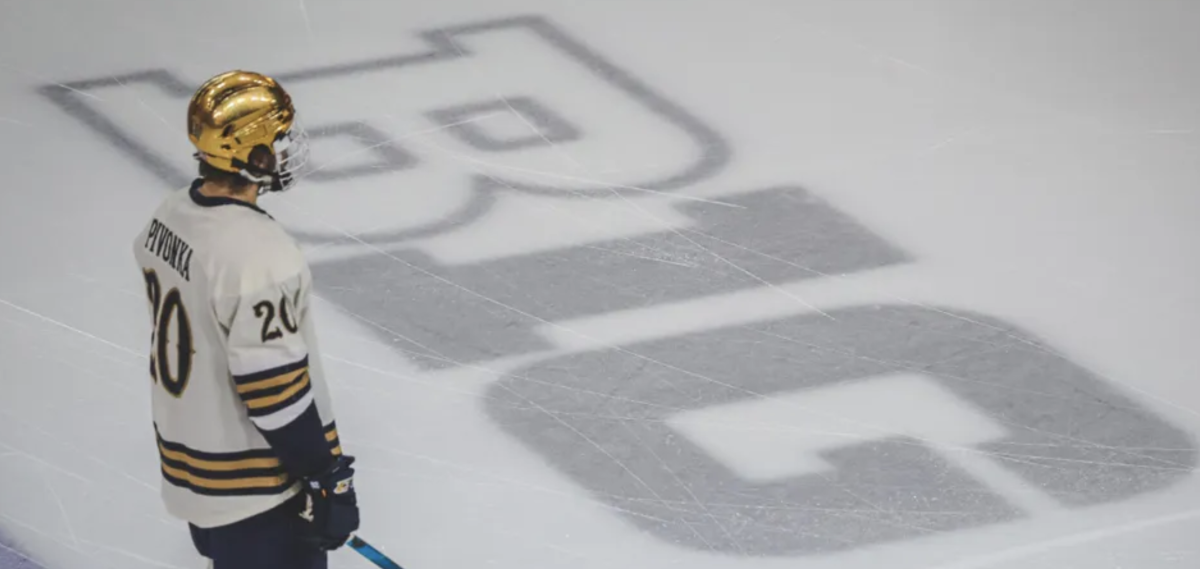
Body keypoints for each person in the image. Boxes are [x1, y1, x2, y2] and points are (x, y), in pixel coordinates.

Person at [131, 70, 359, 569]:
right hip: (257, 489)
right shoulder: (258, 256)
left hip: (194, 466)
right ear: (253, 156)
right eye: (278, 139)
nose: (288, 147)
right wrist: (326, 477)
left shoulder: (169, 214)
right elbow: (272, 391)